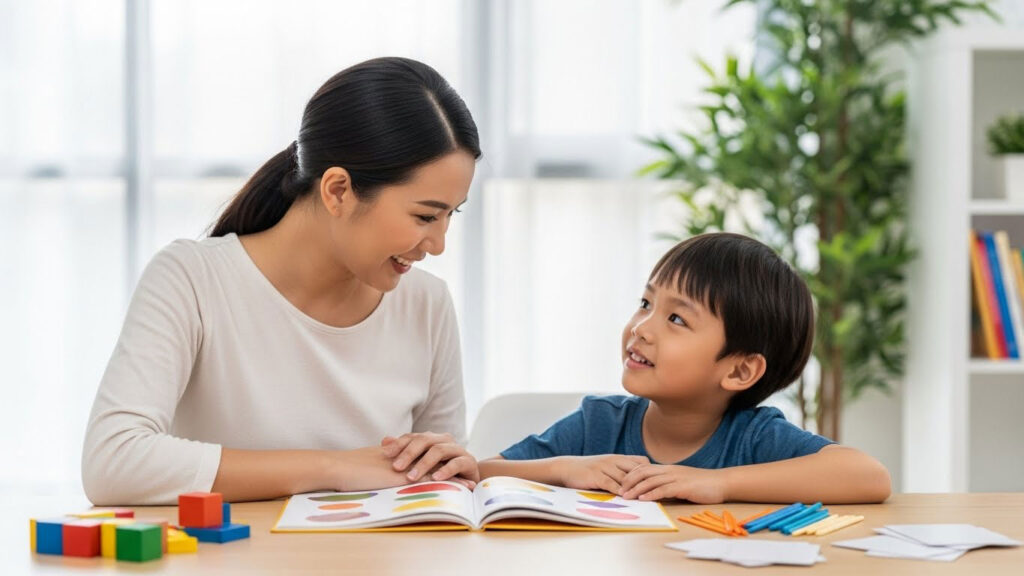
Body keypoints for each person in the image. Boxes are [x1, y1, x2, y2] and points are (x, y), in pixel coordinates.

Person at [83, 57, 482, 505]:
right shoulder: (192, 280)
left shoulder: (427, 305)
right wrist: (334, 468)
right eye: (425, 215)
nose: (438, 244)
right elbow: (112, 461)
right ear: (337, 191)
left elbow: (442, 483)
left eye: (452, 214)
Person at [479, 233, 892, 504]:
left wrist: (717, 483)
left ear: (740, 372)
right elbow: (483, 473)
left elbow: (869, 477)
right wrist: (565, 469)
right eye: (646, 304)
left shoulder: (752, 438)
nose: (641, 328)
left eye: (676, 320)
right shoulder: (598, 424)